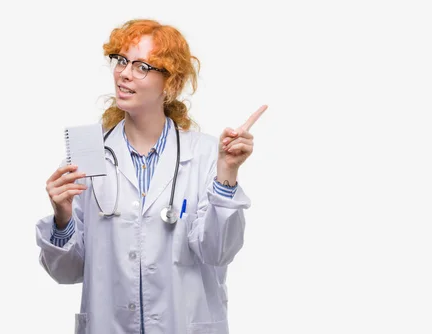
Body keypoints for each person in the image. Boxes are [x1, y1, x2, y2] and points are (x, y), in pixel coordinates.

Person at [35, 19, 267, 334]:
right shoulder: (88, 153)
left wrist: (227, 173)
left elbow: (218, 252)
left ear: (170, 84)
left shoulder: (205, 155)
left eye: (142, 66)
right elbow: (67, 271)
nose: (125, 74)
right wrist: (62, 218)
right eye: (121, 61)